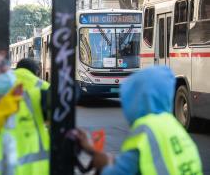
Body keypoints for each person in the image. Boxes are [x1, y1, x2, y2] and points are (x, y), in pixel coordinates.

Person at [75, 66, 203, 175]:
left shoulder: (145, 130)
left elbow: (118, 171)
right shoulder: (173, 125)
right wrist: (92, 150)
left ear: (137, 99)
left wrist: (101, 162)